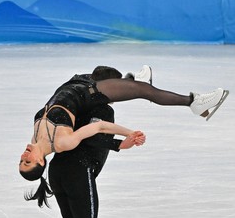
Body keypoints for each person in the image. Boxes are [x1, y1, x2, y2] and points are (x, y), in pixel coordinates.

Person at [19, 65, 228, 204]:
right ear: (40, 162)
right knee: (145, 92)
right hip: (90, 92)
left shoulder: (35, 139)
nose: (23, 157)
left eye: (21, 161)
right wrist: (128, 133)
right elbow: (99, 128)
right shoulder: (63, 142)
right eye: (27, 162)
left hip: (75, 83)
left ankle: (134, 80)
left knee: (104, 72)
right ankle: (195, 103)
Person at [47, 66, 135, 217]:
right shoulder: (102, 109)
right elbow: (92, 136)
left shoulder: (79, 98)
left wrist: (130, 81)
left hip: (56, 170)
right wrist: (120, 144)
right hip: (77, 171)